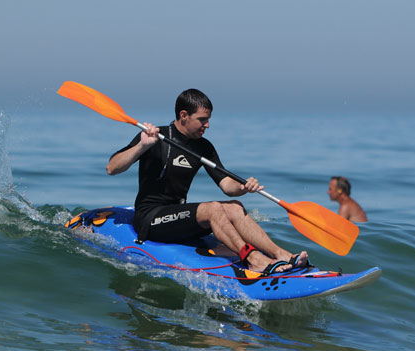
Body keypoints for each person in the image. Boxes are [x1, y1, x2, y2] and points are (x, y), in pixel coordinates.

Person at [106, 88, 308, 275]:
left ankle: (281, 254)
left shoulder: (204, 147)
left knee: (235, 207)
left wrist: (243, 187)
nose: (207, 125)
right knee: (212, 209)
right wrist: (142, 146)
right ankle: (254, 259)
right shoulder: (155, 136)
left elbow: (226, 185)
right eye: (202, 120)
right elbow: (112, 168)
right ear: (184, 115)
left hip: (178, 215)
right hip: (150, 219)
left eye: (208, 119)